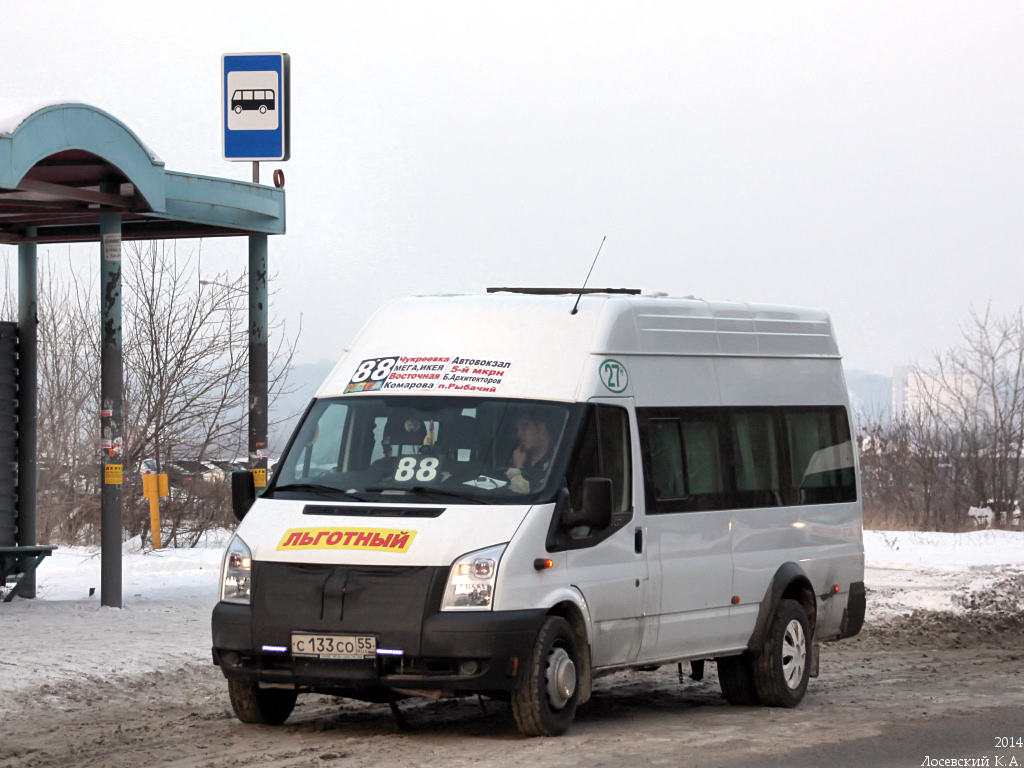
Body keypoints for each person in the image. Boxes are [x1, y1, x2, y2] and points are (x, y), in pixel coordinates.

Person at [505, 410, 553, 493]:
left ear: (541, 428)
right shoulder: (518, 456)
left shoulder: (557, 460)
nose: (519, 434)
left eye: (524, 427)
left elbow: (533, 493)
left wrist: (519, 467)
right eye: (518, 429)